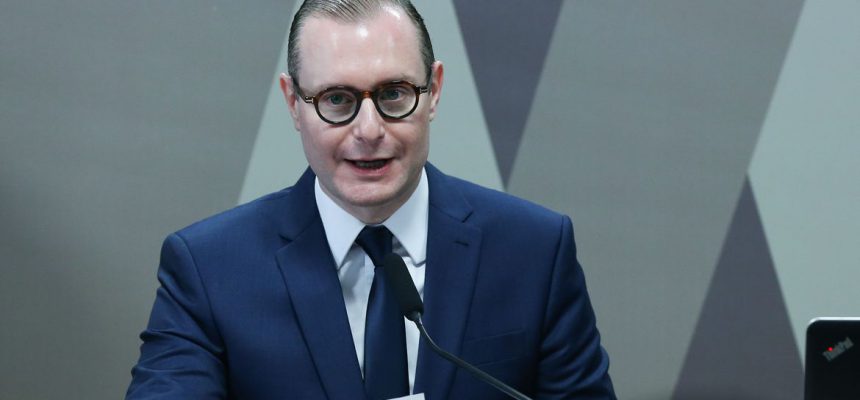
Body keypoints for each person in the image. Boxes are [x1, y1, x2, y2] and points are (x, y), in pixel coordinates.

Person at [126, 0, 615, 399]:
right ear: (294, 104)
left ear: (434, 91)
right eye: (337, 100)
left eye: (394, 94)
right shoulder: (209, 268)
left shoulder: (534, 250)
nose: (369, 130)